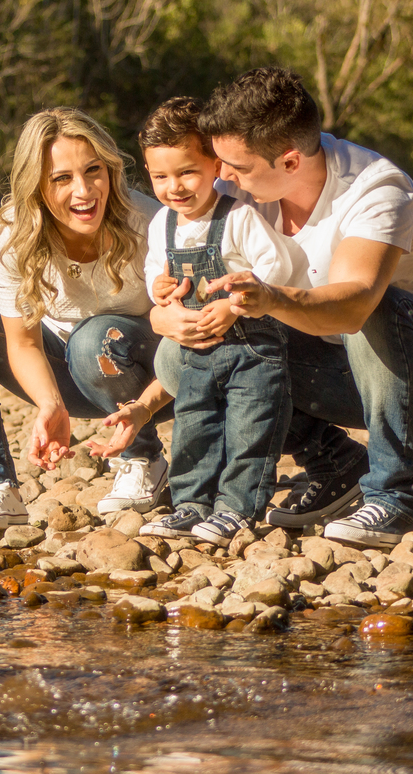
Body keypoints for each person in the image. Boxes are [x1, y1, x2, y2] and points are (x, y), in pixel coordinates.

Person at [150, 67, 413, 549]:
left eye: (237, 167)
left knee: (376, 303)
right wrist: (160, 315)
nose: (223, 177)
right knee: (174, 357)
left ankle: (396, 493)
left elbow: (354, 307)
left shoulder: (376, 190)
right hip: (336, 368)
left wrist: (268, 298)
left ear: (290, 161)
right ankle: (335, 461)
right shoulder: (240, 189)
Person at [0, 107, 171, 539]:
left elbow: (187, 336)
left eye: (94, 170)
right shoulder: (12, 235)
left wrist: (145, 407)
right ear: (36, 186)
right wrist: (49, 403)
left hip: (156, 378)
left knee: (93, 337)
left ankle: (143, 457)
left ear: (111, 168)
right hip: (77, 374)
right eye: (61, 178)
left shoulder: (152, 224)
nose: (84, 190)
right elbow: (24, 344)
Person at [131, 97, 301, 546]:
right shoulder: (162, 223)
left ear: (214, 163)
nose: (175, 187)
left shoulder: (237, 215)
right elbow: (153, 267)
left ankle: (237, 509)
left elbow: (278, 267)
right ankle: (191, 503)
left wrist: (239, 300)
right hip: (198, 351)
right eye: (160, 176)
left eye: (187, 172)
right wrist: (160, 289)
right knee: (194, 425)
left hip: (253, 347)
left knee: (250, 428)